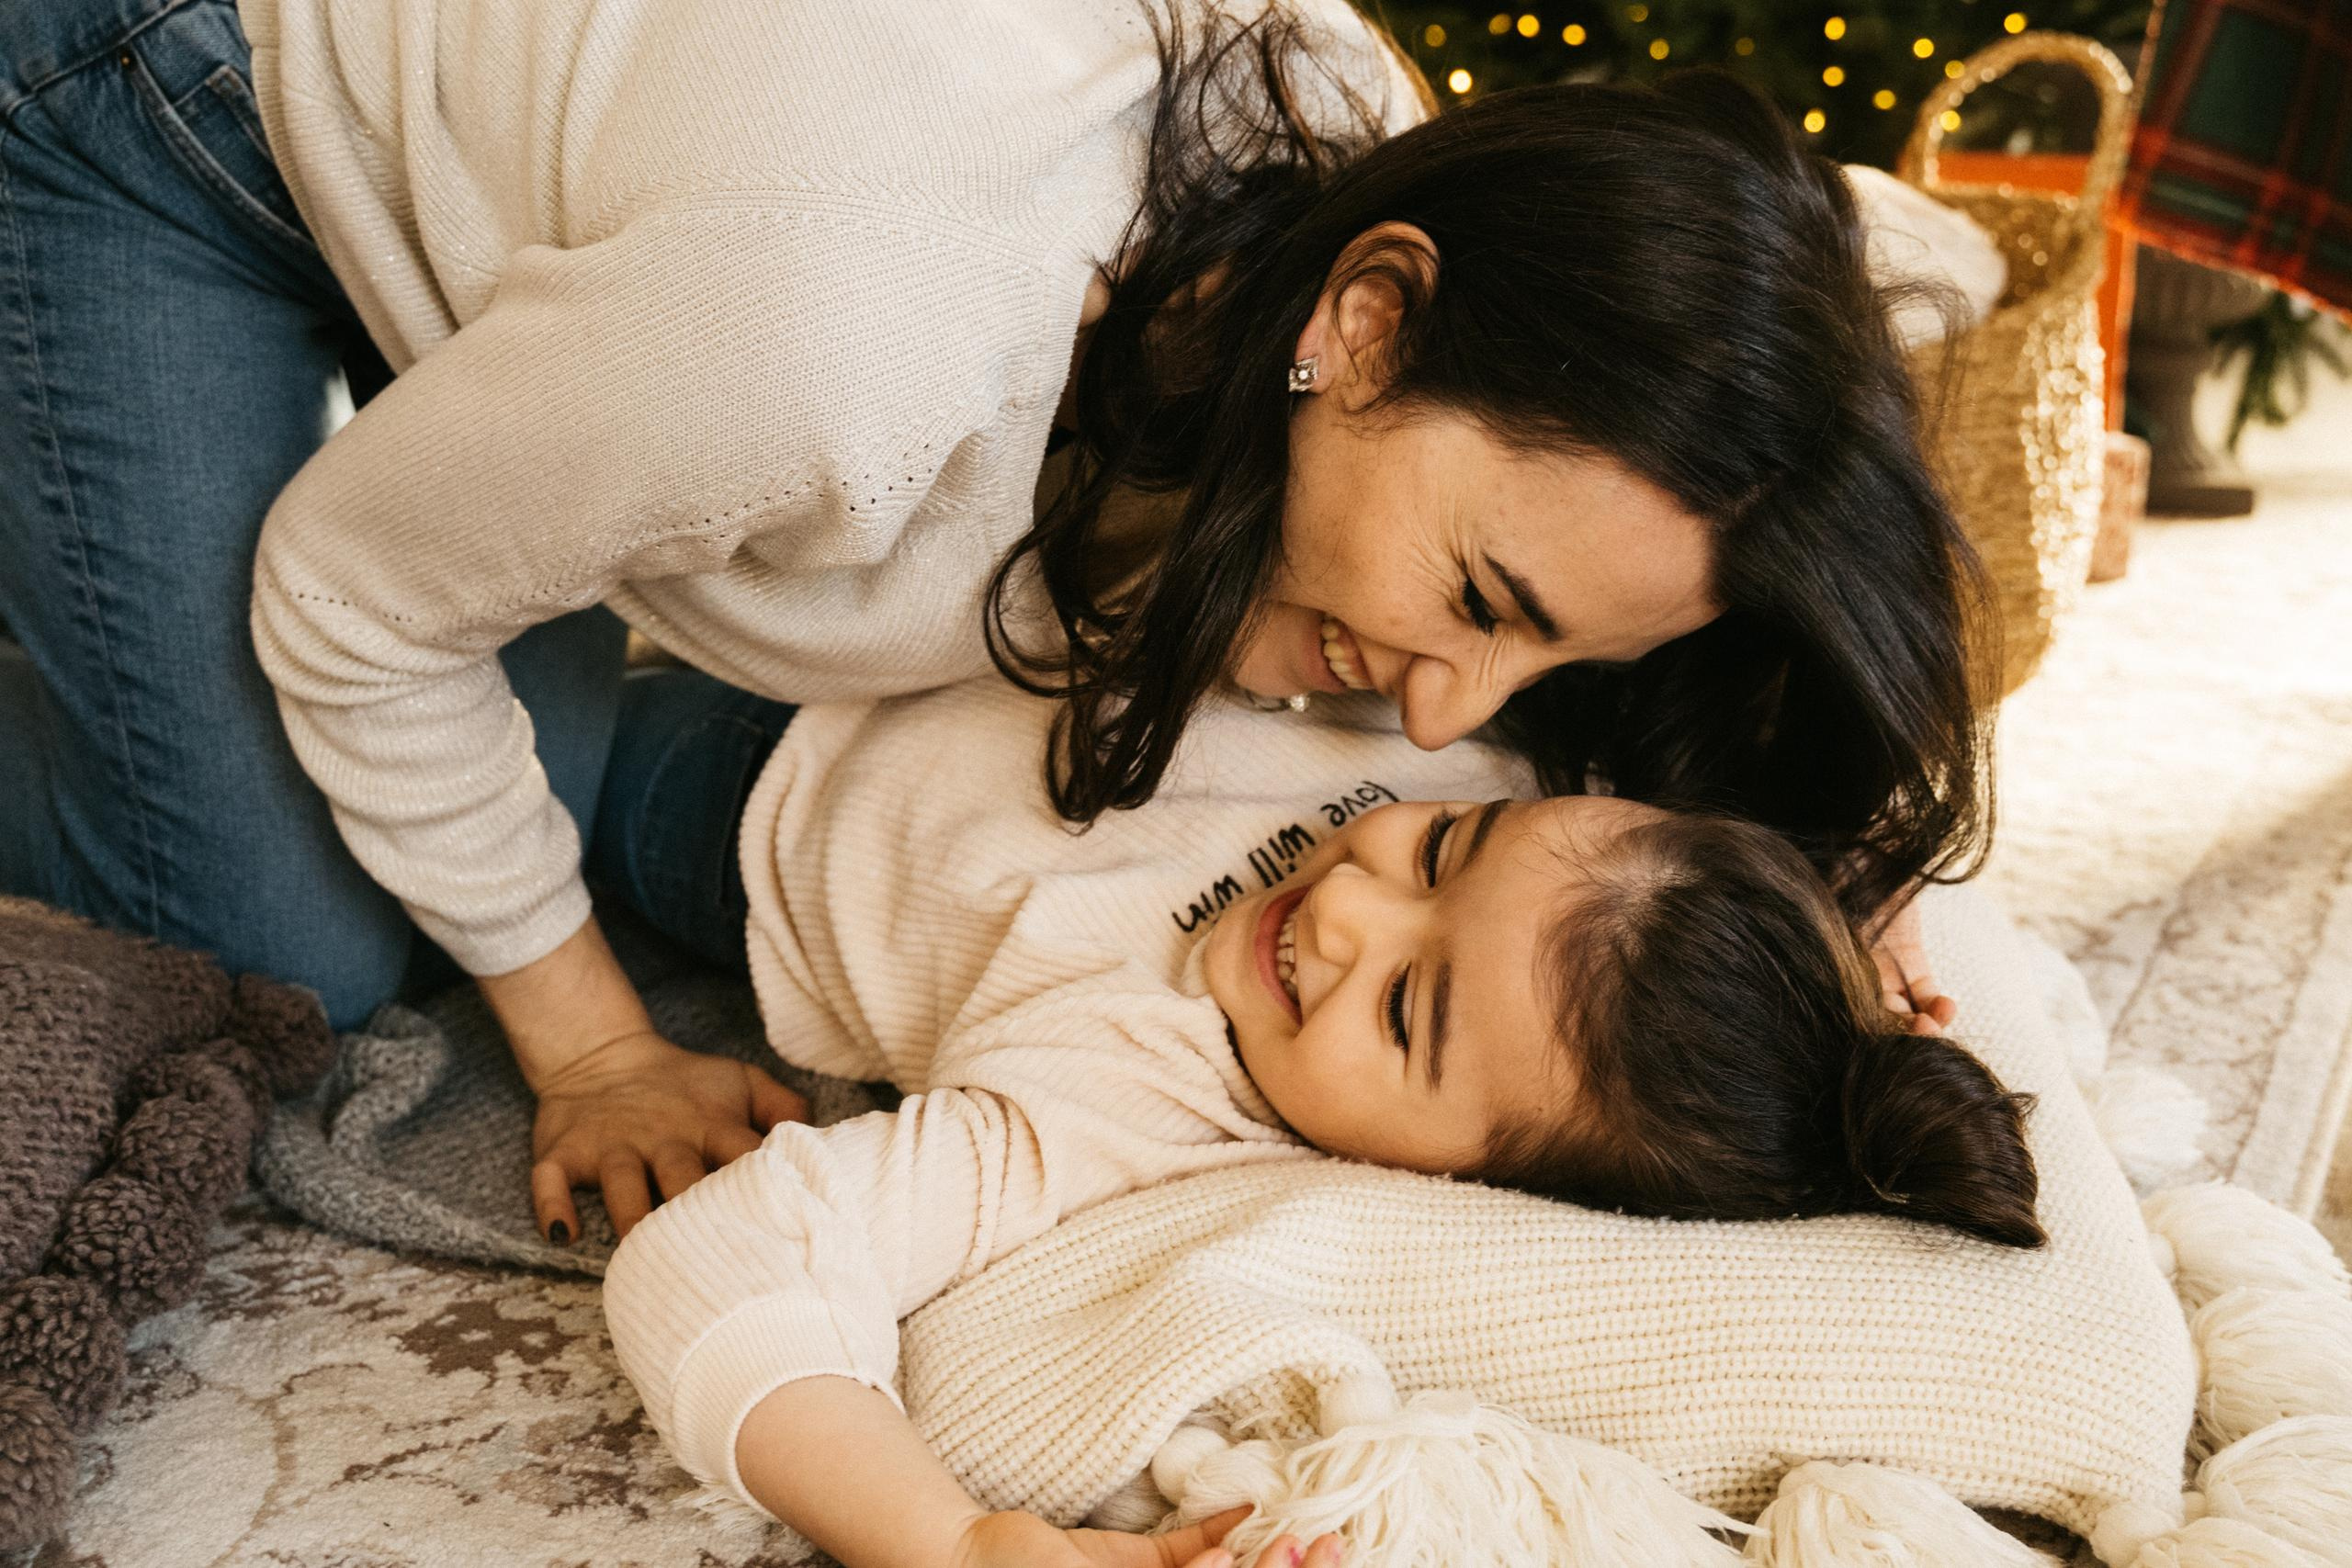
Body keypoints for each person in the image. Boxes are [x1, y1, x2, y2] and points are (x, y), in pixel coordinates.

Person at [0, 0, 1986, 1231]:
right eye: (1477, 600)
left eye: (1555, 663)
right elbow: (347, 593)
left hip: (572, 215)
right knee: (294, 941)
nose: (1441, 716)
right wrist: (596, 1048)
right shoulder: (854, 358)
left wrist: (1805, 934)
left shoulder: (1391, 206)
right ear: (1361, 321)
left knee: (534, 744)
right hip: (156, 93)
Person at [600, 676, 2041, 1568]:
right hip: (913, 619)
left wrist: (957, 1546)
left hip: (738, 785)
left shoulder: (1126, 1099)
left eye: (1408, 1011)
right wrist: (1855, 908)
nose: (1348, 905)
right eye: (1438, 846)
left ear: (1471, 1187)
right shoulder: (1549, 814)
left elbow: (719, 1266)